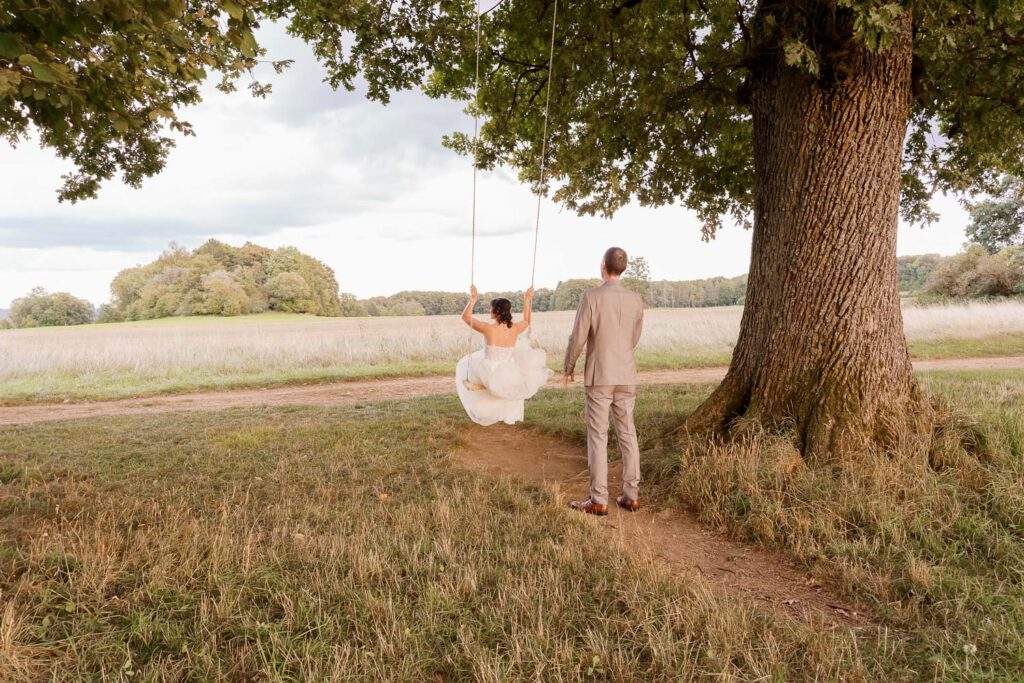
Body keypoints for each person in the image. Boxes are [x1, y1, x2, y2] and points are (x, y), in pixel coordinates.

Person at [563, 247, 645, 516]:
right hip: (626, 372)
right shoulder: (635, 299)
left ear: (603, 266)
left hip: (600, 374)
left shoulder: (591, 296)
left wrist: (569, 365)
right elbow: (634, 337)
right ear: (623, 267)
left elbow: (578, 337)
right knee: (627, 433)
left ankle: (598, 499)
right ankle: (631, 495)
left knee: (598, 435)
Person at [455, 286, 552, 426]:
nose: (490, 311)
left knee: (464, 364)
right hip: (508, 372)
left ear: (496, 311)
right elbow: (527, 321)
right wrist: (527, 300)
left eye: (491, 308)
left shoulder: (488, 328)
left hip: (490, 372)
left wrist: (473, 299)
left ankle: (481, 400)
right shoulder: (515, 329)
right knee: (477, 362)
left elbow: (465, 317)